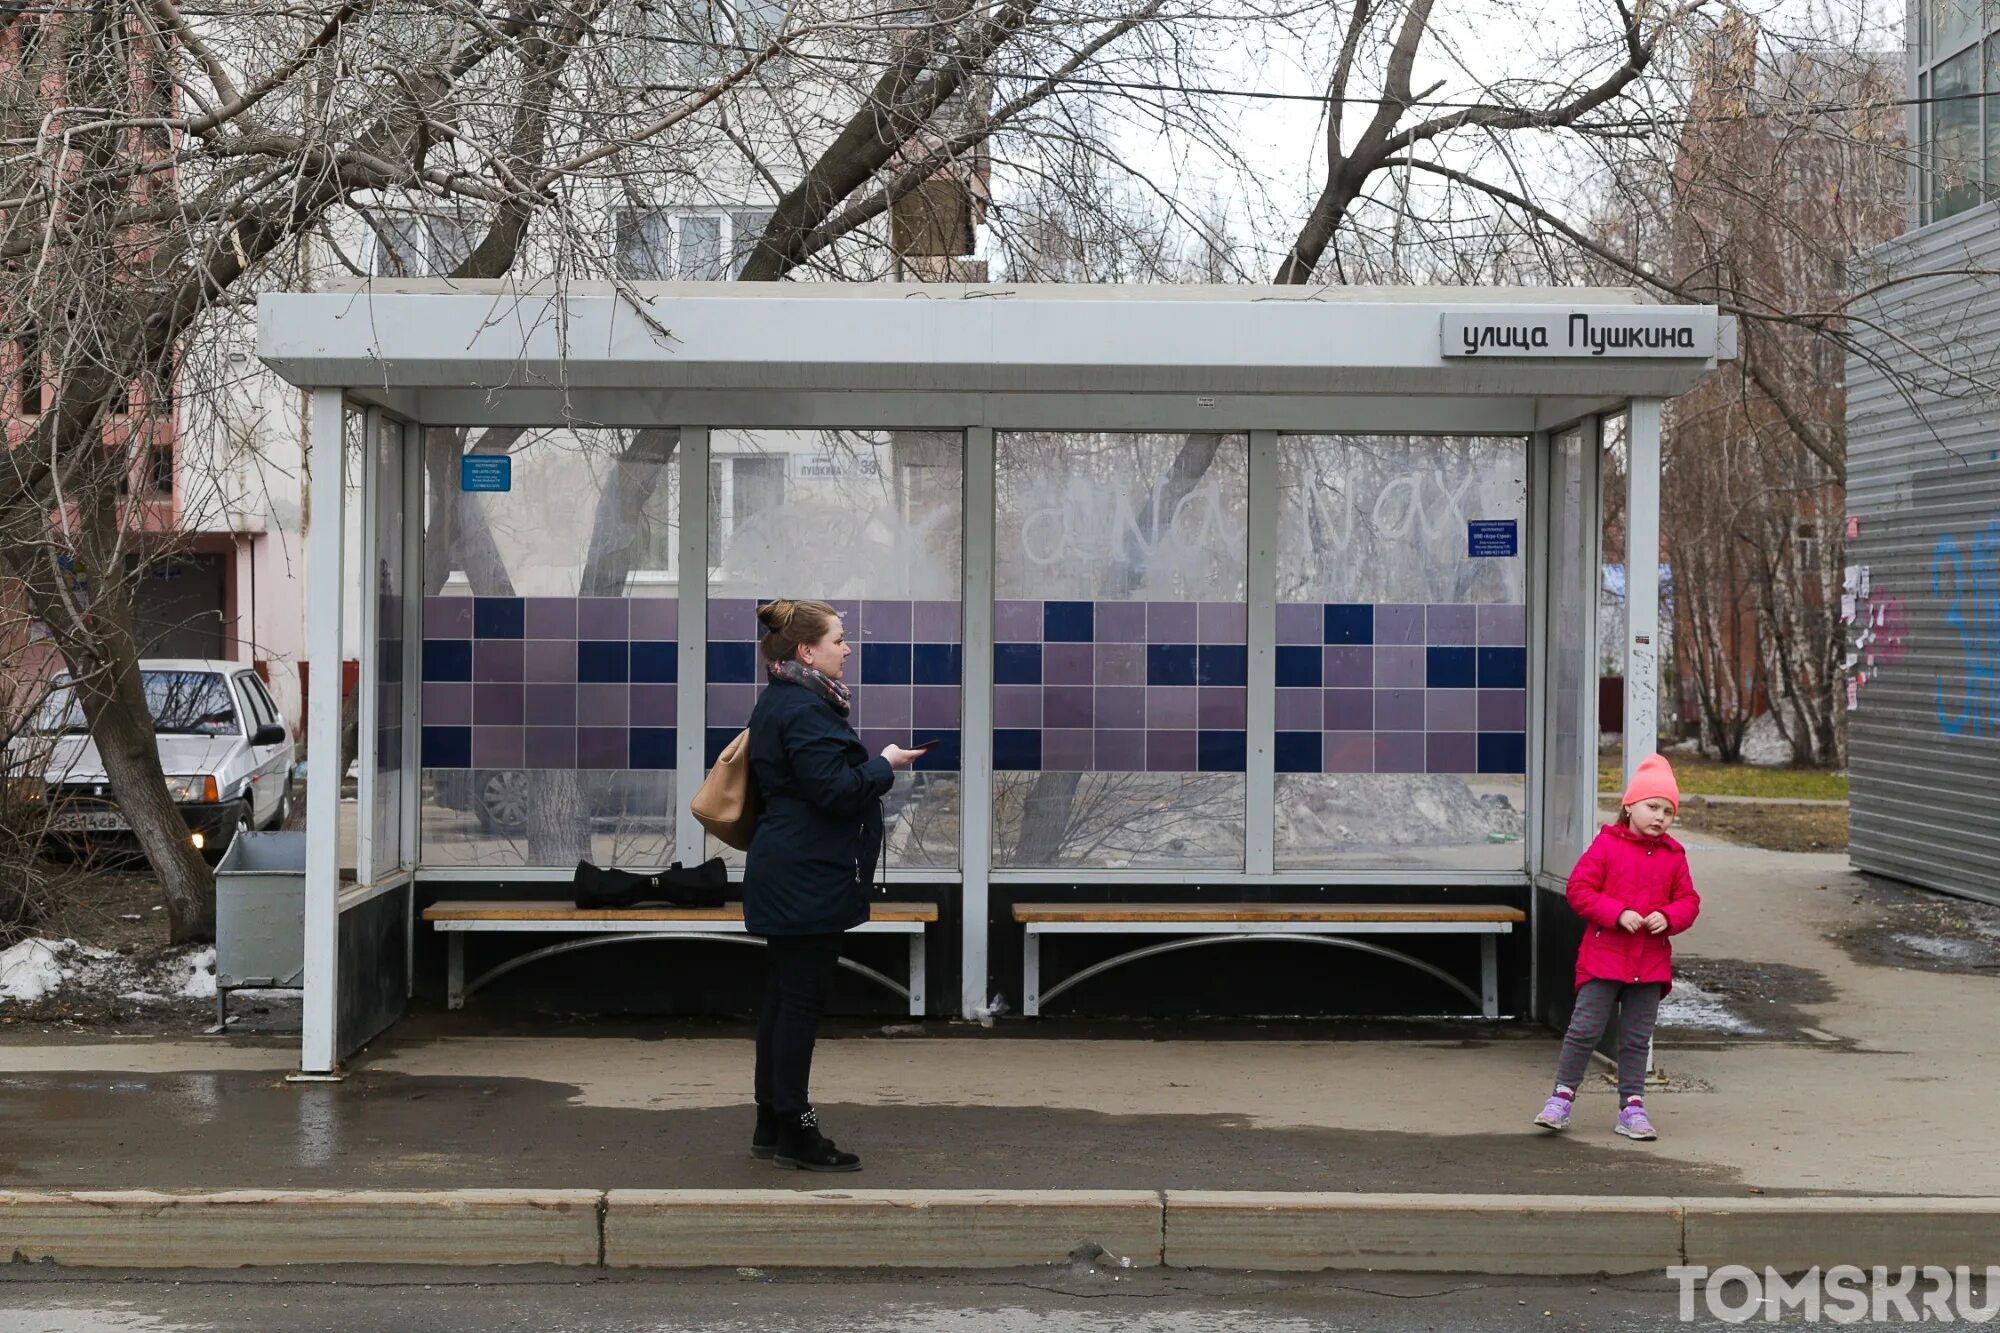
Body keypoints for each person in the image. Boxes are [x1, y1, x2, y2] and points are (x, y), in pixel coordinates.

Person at [743, 598, 923, 1172]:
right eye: (839, 639)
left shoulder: (782, 700)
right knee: (798, 1004)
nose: (847, 649)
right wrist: (885, 765)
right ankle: (796, 1131)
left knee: (781, 999)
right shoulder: (803, 709)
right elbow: (834, 790)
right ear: (806, 650)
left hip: (791, 868)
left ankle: (771, 1123)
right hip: (805, 875)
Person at [1533, 753, 1701, 1141]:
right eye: (1652, 806)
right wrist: (1617, 912)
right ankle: (1561, 1097)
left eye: (1669, 811)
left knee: (1637, 1037)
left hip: (1650, 963)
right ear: (1629, 806)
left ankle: (1632, 1106)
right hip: (1603, 959)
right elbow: (1579, 890)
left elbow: (1689, 901)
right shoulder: (1606, 846)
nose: (1660, 817)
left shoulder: (1674, 857)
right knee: (1584, 1030)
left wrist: (1670, 916)